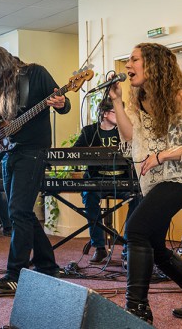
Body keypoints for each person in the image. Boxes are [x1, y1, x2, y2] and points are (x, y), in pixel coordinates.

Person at [109, 43, 182, 323]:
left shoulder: (180, 96)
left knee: (135, 229)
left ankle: (137, 309)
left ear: (153, 64)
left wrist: (161, 156)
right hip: (155, 181)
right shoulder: (140, 98)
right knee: (155, 245)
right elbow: (130, 135)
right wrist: (117, 102)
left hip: (181, 178)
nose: (127, 65)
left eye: (134, 60)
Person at [0, 46, 71, 293]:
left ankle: (15, 274)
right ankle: (48, 265)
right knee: (22, 211)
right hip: (8, 152)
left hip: (33, 150)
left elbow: (64, 105)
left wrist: (62, 103)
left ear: (2, 67)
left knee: (18, 211)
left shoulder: (36, 73)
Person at [73, 97, 140, 264]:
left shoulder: (125, 131)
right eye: (115, 111)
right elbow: (74, 153)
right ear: (104, 113)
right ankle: (99, 247)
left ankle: (128, 246)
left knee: (138, 197)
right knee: (90, 196)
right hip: (96, 180)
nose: (120, 115)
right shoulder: (89, 132)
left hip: (122, 181)